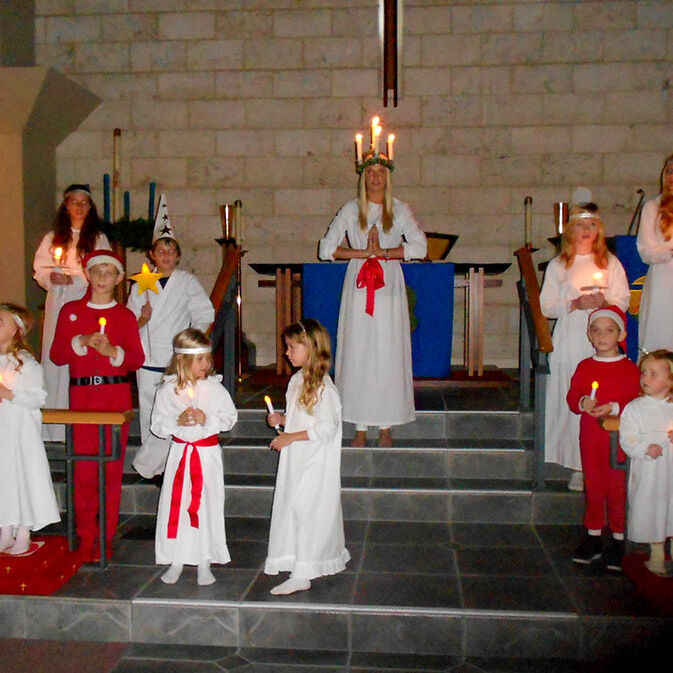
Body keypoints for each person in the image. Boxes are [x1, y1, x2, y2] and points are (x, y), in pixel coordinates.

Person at [318, 144, 427, 448]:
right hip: (359, 283)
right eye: (370, 172)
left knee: (387, 351)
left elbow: (420, 247)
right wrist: (363, 252)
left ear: (387, 176)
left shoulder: (400, 209)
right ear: (363, 176)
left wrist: (385, 253)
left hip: (388, 282)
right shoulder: (351, 209)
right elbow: (326, 249)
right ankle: (360, 423)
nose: (376, 177)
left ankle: (386, 424)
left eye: (381, 172)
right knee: (360, 350)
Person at [50, 250, 144, 562]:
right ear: (88, 275)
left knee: (110, 471)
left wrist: (112, 350)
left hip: (114, 398)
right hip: (82, 400)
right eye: (97, 271)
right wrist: (80, 341)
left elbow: (135, 359)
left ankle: (105, 537)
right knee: (84, 471)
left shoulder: (125, 316)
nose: (102, 278)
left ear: (119, 279)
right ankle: (86, 535)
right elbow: (57, 356)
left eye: (109, 272)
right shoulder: (71, 311)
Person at [540, 203, 630, 491]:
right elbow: (546, 306)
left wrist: (604, 304)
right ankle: (575, 463)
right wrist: (574, 304)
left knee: (602, 395)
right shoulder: (559, 265)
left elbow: (624, 299)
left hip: (603, 337)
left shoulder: (609, 263)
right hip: (571, 336)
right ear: (571, 230)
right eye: (581, 225)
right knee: (575, 395)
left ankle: (597, 462)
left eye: (592, 225)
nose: (587, 230)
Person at [127, 205, 214, 479]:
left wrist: (190, 344)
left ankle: (156, 465)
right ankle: (154, 466)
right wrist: (142, 319)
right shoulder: (141, 284)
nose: (165, 256)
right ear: (151, 255)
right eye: (160, 251)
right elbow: (128, 321)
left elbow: (204, 313)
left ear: (177, 256)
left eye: (171, 251)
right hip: (146, 358)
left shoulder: (187, 282)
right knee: (149, 414)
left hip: (173, 360)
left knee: (172, 409)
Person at [264, 318, 350, 595]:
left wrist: (290, 436)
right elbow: (303, 418)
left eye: (291, 347)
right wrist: (283, 419)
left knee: (307, 510)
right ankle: (296, 560)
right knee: (294, 509)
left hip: (315, 462)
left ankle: (304, 571)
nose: (287, 353)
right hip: (297, 459)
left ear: (310, 348)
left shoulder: (325, 387)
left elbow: (326, 427)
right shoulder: (297, 380)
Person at [151, 329, 237, 586]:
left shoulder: (215, 388)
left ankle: (204, 560)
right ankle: (176, 558)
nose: (206, 364)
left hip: (206, 455)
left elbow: (230, 418)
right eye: (200, 359)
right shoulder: (167, 391)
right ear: (182, 361)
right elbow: (157, 424)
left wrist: (207, 419)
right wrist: (176, 421)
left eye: (207, 358)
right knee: (178, 503)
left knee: (204, 504)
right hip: (181, 455)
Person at [33, 184, 111, 441]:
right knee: (56, 358)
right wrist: (52, 277)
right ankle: (54, 429)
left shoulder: (98, 239)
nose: (79, 207)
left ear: (91, 207)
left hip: (85, 303)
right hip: (59, 303)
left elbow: (104, 270)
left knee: (82, 356)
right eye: (74, 202)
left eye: (84, 203)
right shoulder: (53, 238)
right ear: (66, 206)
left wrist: (77, 280)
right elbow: (41, 269)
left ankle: (82, 423)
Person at [566, 306, 641, 570]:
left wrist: (613, 407)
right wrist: (584, 401)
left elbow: (636, 402)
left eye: (609, 331)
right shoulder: (585, 366)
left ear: (620, 334)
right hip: (590, 437)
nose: (602, 336)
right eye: (596, 330)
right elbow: (574, 397)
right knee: (594, 485)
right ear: (589, 334)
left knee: (617, 488)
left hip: (619, 439)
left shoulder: (630, 369)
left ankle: (619, 538)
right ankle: (593, 535)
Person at [0, 303, 59, 555]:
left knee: (24, 479)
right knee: (5, 481)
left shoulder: (27, 364)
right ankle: (5, 531)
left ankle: (24, 532)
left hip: (21, 435)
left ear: (17, 330)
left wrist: (8, 393)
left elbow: (38, 398)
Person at [620, 350, 673, 576]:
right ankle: (657, 555)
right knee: (653, 510)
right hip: (651, 473)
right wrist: (644, 448)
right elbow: (628, 438)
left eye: (654, 374)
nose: (645, 378)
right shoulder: (635, 408)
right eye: (644, 373)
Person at [637, 153, 673, 353]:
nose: (672, 176)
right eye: (669, 171)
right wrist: (669, 250)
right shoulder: (652, 207)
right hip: (663, 282)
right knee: (660, 334)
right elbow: (646, 250)